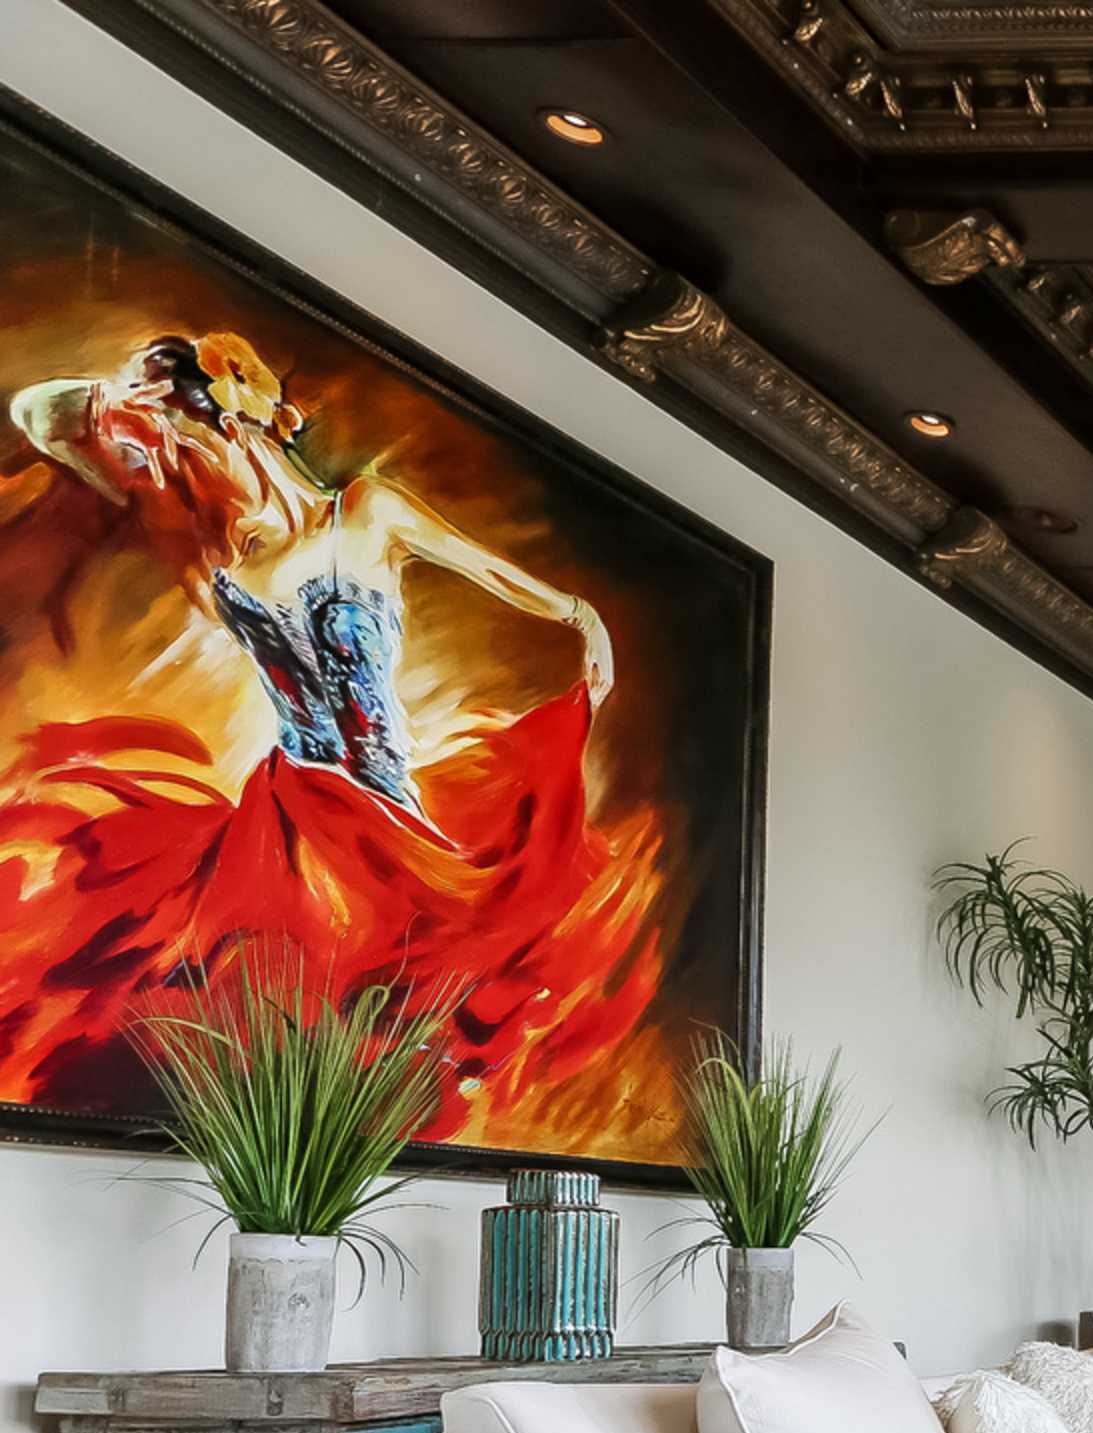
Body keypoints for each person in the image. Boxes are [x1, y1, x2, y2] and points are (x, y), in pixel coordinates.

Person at [0, 329, 660, 1148]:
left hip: (386, 811)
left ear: (243, 430)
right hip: (292, 814)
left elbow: (485, 567)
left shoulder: (368, 511)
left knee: (418, 994)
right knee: (275, 1017)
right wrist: (126, 398)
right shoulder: (227, 568)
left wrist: (578, 616)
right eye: (170, 461)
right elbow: (43, 415)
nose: (182, 476)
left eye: (194, 450)